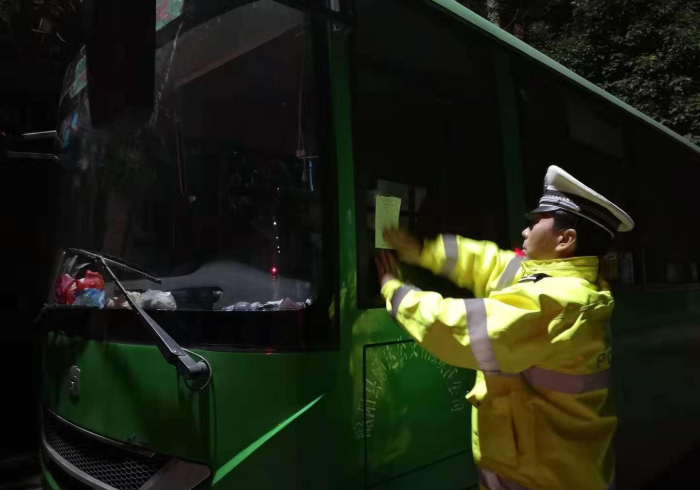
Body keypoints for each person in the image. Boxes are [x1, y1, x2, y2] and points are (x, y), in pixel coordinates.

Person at [375, 165, 633, 490]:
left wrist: (393, 289)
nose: (525, 231)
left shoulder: (559, 302)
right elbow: (488, 263)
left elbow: (456, 327)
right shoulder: (554, 276)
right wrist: (422, 252)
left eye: (535, 222)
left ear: (565, 239)